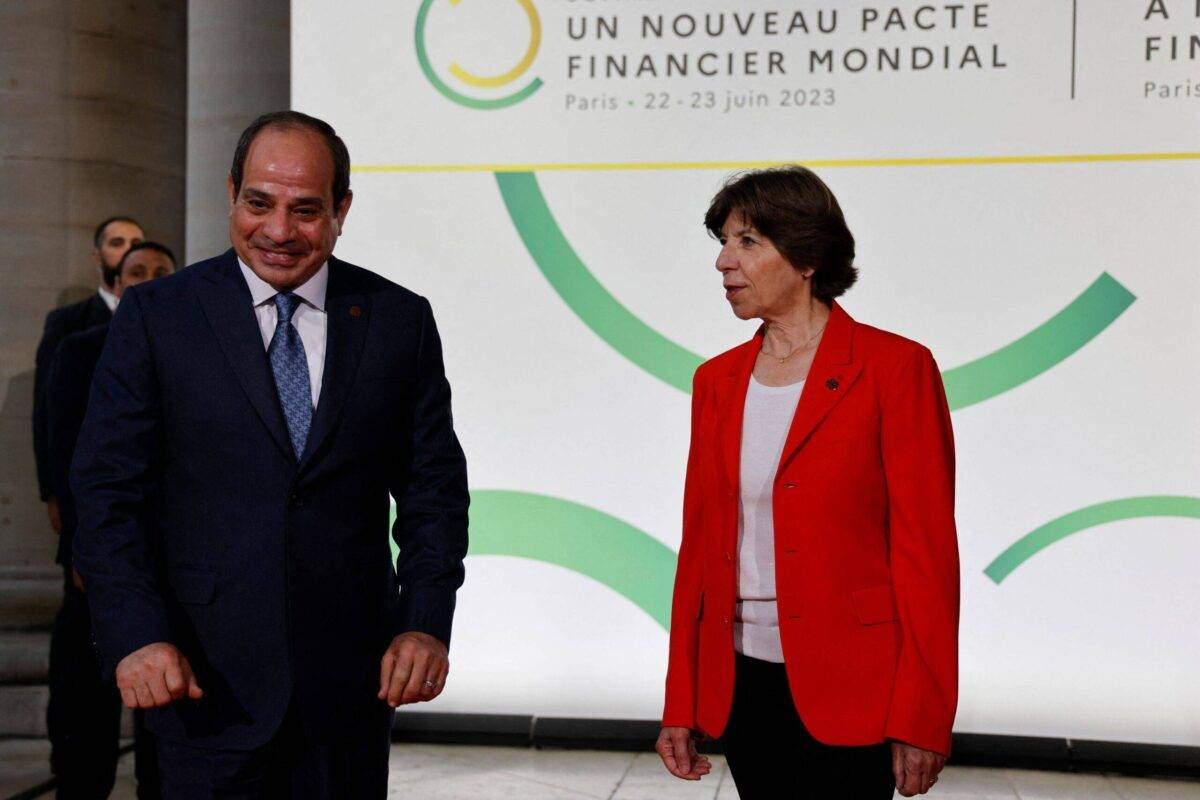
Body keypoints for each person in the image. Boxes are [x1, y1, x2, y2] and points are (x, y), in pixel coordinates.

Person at [70, 111, 469, 799]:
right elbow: (107, 494)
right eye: (259, 203)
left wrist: (425, 623)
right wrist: (135, 633)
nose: (278, 231)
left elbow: (434, 491)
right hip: (198, 686)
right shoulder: (158, 317)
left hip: (348, 695)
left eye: (306, 209)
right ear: (232, 193)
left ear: (342, 210)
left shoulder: (397, 320)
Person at [656, 166, 959, 799]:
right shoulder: (716, 382)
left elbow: (927, 556)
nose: (722, 262)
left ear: (806, 257)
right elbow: (699, 554)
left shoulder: (895, 369)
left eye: (746, 242)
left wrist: (923, 713)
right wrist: (680, 699)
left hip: (856, 685)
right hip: (742, 685)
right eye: (721, 241)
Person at [45, 241, 176, 800]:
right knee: (86, 703)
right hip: (97, 554)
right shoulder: (80, 349)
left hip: (171, 554)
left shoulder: (189, 348)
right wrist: (82, 551)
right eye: (135, 272)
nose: (146, 281)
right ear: (115, 283)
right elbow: (70, 456)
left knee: (164, 718)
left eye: (159, 273)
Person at [34, 217, 144, 538]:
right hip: (84, 478)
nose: (127, 251)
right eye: (116, 242)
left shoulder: (169, 321)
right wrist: (52, 492)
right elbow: (47, 413)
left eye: (135, 244)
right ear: (97, 256)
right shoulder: (68, 322)